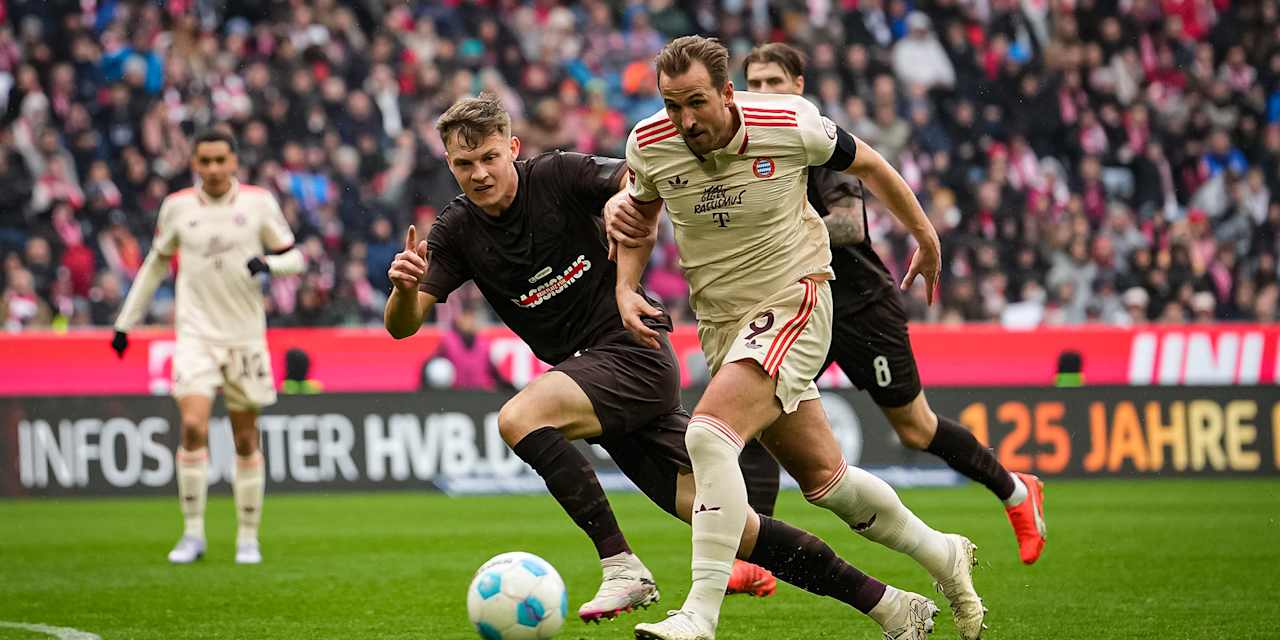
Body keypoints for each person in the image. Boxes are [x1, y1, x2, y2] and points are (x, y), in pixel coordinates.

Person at [383, 94, 922, 628]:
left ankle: (621, 565)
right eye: (463, 164)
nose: (479, 174)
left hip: (632, 350)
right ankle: (888, 603)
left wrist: (622, 200)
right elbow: (402, 326)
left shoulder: (558, 174)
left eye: (489, 158)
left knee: (520, 417)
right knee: (735, 527)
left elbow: (635, 181)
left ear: (512, 148)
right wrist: (406, 290)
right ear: (449, 164)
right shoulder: (455, 230)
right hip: (591, 378)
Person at [608, 36, 981, 640]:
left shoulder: (788, 123)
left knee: (707, 435)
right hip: (723, 323)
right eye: (671, 105)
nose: (684, 120)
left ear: (729, 93)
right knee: (828, 484)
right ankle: (939, 561)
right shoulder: (648, 143)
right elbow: (641, 216)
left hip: (796, 298)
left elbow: (872, 165)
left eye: (696, 103)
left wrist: (925, 235)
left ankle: (699, 616)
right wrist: (626, 287)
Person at [736, 42, 1048, 567]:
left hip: (859, 307)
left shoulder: (814, 139)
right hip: (798, 307)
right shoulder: (746, 148)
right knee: (755, 416)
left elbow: (852, 223)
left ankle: (1016, 491)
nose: (764, 93)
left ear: (798, 86)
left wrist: (781, 231)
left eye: (774, 82)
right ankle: (753, 560)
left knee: (916, 429)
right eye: (755, 84)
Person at [111, 129, 304, 565]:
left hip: (245, 337)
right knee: (194, 426)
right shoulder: (178, 207)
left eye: (221, 160)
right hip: (195, 335)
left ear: (234, 161)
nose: (214, 169)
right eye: (206, 161)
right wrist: (126, 322)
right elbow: (155, 265)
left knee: (244, 437)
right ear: (194, 164)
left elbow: (297, 258)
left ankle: (247, 537)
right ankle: (193, 534)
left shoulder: (258, 203)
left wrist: (269, 263)